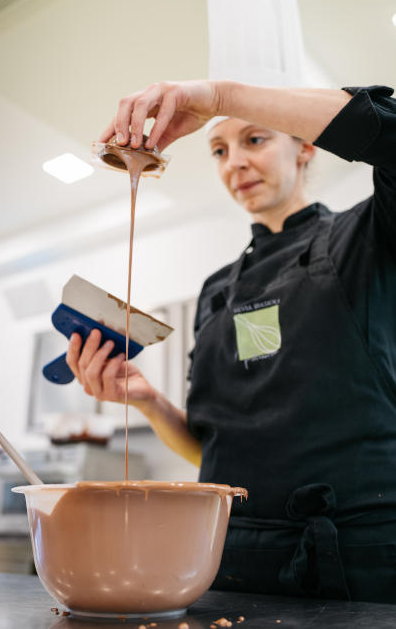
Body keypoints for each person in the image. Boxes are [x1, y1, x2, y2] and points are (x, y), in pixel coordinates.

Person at [66, 80, 396, 603]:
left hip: (356, 563)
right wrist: (147, 402)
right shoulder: (218, 288)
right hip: (228, 557)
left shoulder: (367, 237)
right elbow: (212, 445)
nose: (233, 163)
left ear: (305, 145)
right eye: (219, 150)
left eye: (255, 140)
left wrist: (219, 99)